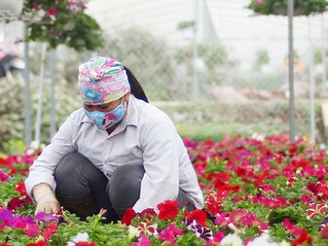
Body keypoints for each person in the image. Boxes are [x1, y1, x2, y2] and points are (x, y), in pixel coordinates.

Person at [24, 55, 204, 222]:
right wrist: (44, 196)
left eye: (104, 107)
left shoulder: (153, 123)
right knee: (69, 168)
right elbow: (43, 164)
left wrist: (131, 232)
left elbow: (163, 186)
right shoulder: (78, 122)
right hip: (117, 203)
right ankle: (100, 226)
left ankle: (133, 230)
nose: (95, 113)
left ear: (125, 96)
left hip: (173, 203)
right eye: (89, 106)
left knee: (124, 178)